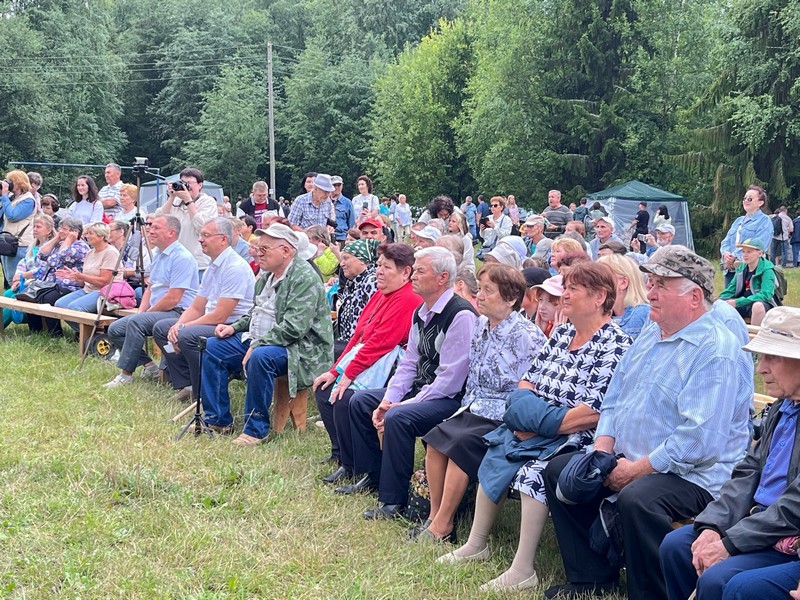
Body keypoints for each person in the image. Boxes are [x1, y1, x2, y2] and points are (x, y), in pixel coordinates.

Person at [542, 246, 754, 600]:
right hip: (631, 457)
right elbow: (615, 396)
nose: (649, 292)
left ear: (694, 296)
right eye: (650, 282)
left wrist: (636, 470)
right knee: (561, 470)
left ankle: (652, 592)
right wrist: (602, 449)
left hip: (696, 476)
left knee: (639, 498)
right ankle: (591, 578)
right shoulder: (652, 333)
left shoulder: (715, 350)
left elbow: (698, 442)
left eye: (660, 285)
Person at [440, 262, 631, 592]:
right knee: (498, 449)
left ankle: (523, 569)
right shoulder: (561, 333)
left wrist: (541, 424)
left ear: (600, 297)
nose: (564, 295)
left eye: (572, 289)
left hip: (578, 438)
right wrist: (524, 413)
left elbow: (595, 411)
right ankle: (476, 543)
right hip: (541, 425)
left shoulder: (615, 343)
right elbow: (527, 382)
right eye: (565, 288)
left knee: (532, 473)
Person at [660, 306, 800, 600]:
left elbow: (794, 508)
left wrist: (730, 543)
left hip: (786, 536)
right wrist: (713, 526)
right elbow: (748, 472)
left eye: (772, 357)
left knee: (721, 581)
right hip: (757, 521)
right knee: (676, 546)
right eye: (761, 357)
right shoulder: (782, 407)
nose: (761, 368)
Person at [336, 247, 478, 520]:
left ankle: (394, 500)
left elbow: (450, 381)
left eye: (420, 270)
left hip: (452, 400)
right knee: (361, 400)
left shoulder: (460, 315)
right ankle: (373, 475)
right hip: (425, 389)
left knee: (399, 417)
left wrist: (401, 404)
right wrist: (390, 397)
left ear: (442, 277)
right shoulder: (422, 311)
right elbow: (409, 364)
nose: (412, 274)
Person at [417, 264, 547, 544]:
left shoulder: (526, 335)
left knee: (461, 443)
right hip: (475, 406)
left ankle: (444, 525)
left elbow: (533, 386)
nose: (480, 295)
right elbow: (474, 374)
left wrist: (519, 421)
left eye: (489, 290)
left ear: (510, 298)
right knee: (436, 441)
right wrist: (464, 409)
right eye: (480, 288)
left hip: (504, 414)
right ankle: (433, 514)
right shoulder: (480, 325)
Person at [199, 223, 332, 445]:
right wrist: (235, 327)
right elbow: (256, 312)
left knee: (261, 357)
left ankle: (256, 429)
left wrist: (258, 344)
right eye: (257, 248)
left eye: (264, 249)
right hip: (263, 340)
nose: (258, 253)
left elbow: (294, 328)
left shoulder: (304, 278)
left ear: (286, 251)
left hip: (302, 349)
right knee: (213, 347)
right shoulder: (267, 275)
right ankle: (218, 419)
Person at [315, 243, 421, 482]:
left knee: (346, 398)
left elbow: (382, 342)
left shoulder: (408, 299)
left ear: (406, 272)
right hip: (371, 361)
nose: (379, 271)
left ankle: (367, 469)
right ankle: (344, 456)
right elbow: (359, 336)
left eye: (387, 267)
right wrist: (335, 371)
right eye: (379, 265)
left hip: (391, 370)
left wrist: (348, 374)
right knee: (325, 391)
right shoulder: (381, 294)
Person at [152, 218, 255, 403]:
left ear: (223, 239)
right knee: (162, 329)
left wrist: (184, 328)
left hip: (231, 326)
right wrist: (178, 325)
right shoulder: (213, 267)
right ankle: (189, 383)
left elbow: (220, 315)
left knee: (187, 335)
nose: (200, 239)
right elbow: (197, 306)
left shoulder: (235, 267)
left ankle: (204, 391)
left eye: (206, 235)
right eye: (201, 235)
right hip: (212, 322)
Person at [104, 215, 199, 387]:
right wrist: (141, 311)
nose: (150, 230)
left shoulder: (182, 258)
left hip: (178, 311)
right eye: (150, 226)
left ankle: (126, 375)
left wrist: (147, 314)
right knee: (115, 329)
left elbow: (173, 298)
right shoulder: (158, 253)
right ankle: (150, 366)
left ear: (171, 233)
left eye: (156, 228)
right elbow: (150, 287)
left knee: (136, 323)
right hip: (160, 310)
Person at [53, 222, 121, 329]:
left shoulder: (110, 253)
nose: (87, 236)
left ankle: (91, 334)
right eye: (87, 233)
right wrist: (74, 277)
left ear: (102, 236)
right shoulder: (90, 253)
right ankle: (86, 332)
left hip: (105, 292)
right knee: (60, 305)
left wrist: (81, 276)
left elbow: (105, 281)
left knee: (75, 307)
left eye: (90, 233)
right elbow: (84, 282)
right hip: (88, 289)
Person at [155, 168, 218, 274]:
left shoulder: (208, 202)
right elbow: (159, 220)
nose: (186, 186)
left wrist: (188, 201)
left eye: (189, 183)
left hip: (197, 263)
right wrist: (171, 198)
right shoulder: (176, 201)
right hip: (175, 261)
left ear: (200, 185)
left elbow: (203, 227)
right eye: (183, 183)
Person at [720, 185, 773, 287]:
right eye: (744, 198)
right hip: (730, 270)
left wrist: (734, 255)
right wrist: (726, 254)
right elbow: (725, 241)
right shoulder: (738, 221)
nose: (746, 201)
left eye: (750, 199)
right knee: (727, 300)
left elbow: (760, 245)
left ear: (760, 203)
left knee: (747, 301)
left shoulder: (765, 221)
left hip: (750, 270)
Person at [717, 238, 777, 326]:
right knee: (718, 304)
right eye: (743, 251)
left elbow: (766, 294)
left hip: (762, 304)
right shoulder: (741, 268)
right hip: (743, 302)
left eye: (749, 252)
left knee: (757, 306)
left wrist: (738, 302)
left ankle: (756, 337)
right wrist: (719, 299)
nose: (745, 255)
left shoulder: (767, 270)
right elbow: (731, 290)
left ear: (760, 253)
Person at [333, 239, 379, 351]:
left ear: (362, 260)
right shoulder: (353, 281)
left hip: (359, 348)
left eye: (346, 258)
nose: (342, 263)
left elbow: (373, 320)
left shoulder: (372, 281)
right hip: (347, 344)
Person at [598, 253, 651, 339]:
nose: (594, 283)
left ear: (623, 283)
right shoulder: (602, 314)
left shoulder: (643, 313)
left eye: (602, 278)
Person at [0, 170, 37, 285]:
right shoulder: (12, 198)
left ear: (20, 183)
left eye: (11, 181)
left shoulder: (28, 200)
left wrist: (5, 196)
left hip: (20, 244)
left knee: (15, 279)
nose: (9, 184)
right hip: (7, 242)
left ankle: (16, 301)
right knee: (8, 278)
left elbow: (12, 216)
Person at [329, 175, 354, 246]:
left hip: (342, 237)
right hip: (327, 237)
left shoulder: (348, 203)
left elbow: (351, 223)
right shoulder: (325, 201)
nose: (336, 187)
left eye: (339, 185)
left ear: (342, 186)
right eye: (334, 185)